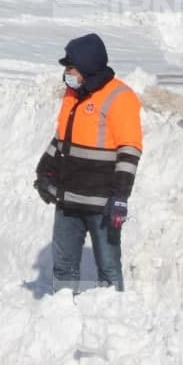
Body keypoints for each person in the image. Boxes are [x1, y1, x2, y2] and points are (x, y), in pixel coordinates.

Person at [33, 33, 142, 293]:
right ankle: (62, 317)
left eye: (70, 68)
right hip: (68, 198)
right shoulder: (72, 94)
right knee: (63, 266)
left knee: (108, 267)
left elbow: (130, 149)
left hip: (102, 204)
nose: (66, 73)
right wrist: (44, 171)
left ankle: (112, 320)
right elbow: (62, 139)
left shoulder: (120, 97)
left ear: (86, 67)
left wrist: (120, 197)